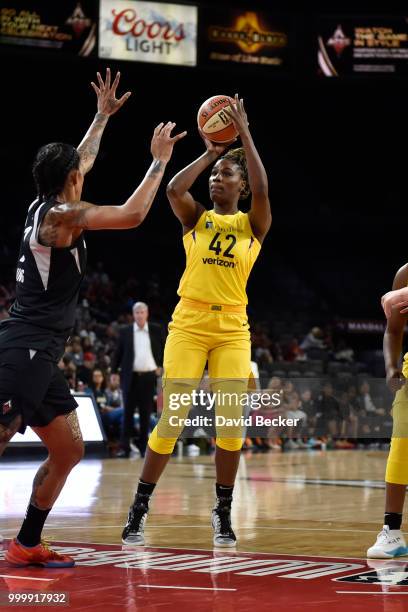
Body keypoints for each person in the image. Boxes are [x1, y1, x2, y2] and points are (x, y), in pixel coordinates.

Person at [0, 67, 186, 568]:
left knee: (69, 447)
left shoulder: (48, 202)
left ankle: (26, 543)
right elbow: (131, 214)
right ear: (71, 182)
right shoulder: (62, 218)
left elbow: (80, 158)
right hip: (25, 347)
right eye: (78, 172)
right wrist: (158, 163)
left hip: (43, 350)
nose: (84, 170)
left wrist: (101, 117)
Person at [121, 93, 271, 547]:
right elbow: (172, 190)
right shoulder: (196, 219)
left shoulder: (253, 224)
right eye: (215, 176)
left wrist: (242, 135)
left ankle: (223, 512)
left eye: (226, 174)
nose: (216, 181)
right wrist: (210, 151)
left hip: (232, 330)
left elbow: (264, 190)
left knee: (231, 424)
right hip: (188, 324)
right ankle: (139, 506)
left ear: (240, 187)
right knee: (172, 418)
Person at [367, 263, 408, 558]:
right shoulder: (405, 274)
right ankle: (391, 532)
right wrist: (392, 367)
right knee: (402, 444)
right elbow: (393, 331)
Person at [114, 301, 165, 457]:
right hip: (130, 377)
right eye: (137, 313)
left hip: (149, 376)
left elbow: (165, 350)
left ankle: (144, 447)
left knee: (146, 412)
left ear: (147, 313)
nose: (140, 315)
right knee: (127, 412)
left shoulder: (156, 330)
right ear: (133, 315)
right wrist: (113, 371)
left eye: (142, 312)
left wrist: (162, 366)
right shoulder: (125, 331)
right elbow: (118, 353)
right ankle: (124, 447)